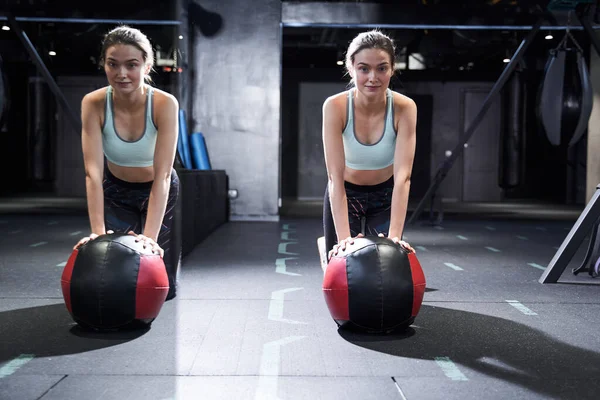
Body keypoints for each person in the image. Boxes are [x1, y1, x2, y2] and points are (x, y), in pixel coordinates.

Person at [74, 25, 180, 300]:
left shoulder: (164, 104)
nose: (121, 74)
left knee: (160, 284)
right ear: (104, 64)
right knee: (113, 271)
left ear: (146, 66)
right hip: (116, 190)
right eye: (113, 64)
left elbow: (164, 176)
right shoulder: (93, 103)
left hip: (158, 189)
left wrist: (150, 239)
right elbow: (93, 174)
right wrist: (97, 233)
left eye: (131, 65)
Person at [322, 30, 417, 260]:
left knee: (386, 261)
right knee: (344, 262)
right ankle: (326, 248)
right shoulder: (335, 107)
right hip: (346, 192)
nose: (373, 77)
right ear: (351, 68)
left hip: (384, 194)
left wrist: (395, 236)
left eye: (382, 68)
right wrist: (344, 240)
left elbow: (403, 177)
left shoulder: (405, 108)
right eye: (364, 68)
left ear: (392, 68)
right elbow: (334, 177)